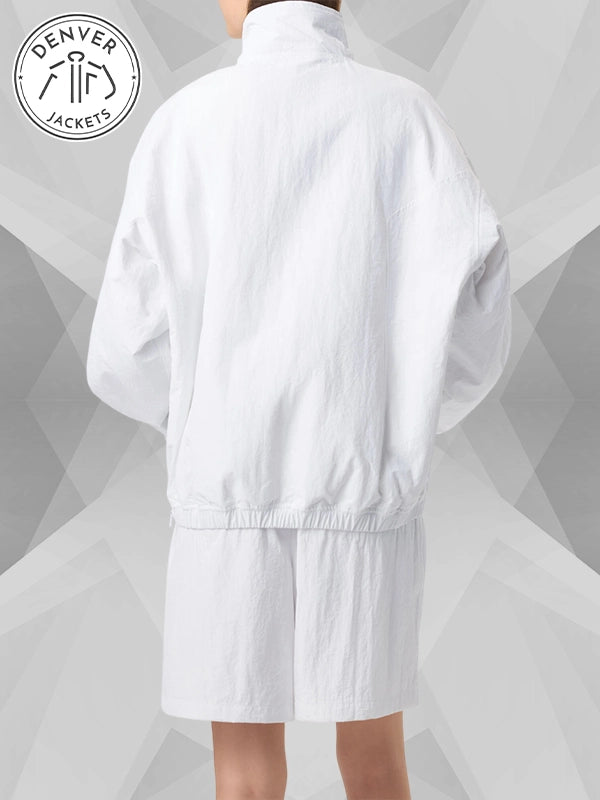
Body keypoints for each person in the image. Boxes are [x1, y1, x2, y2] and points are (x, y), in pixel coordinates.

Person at [86, 0, 512, 797]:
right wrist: (397, 416)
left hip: (224, 507)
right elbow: (478, 316)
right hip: (368, 501)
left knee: (244, 773)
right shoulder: (407, 116)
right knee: (376, 762)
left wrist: (205, 418)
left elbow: (124, 348)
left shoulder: (186, 122)